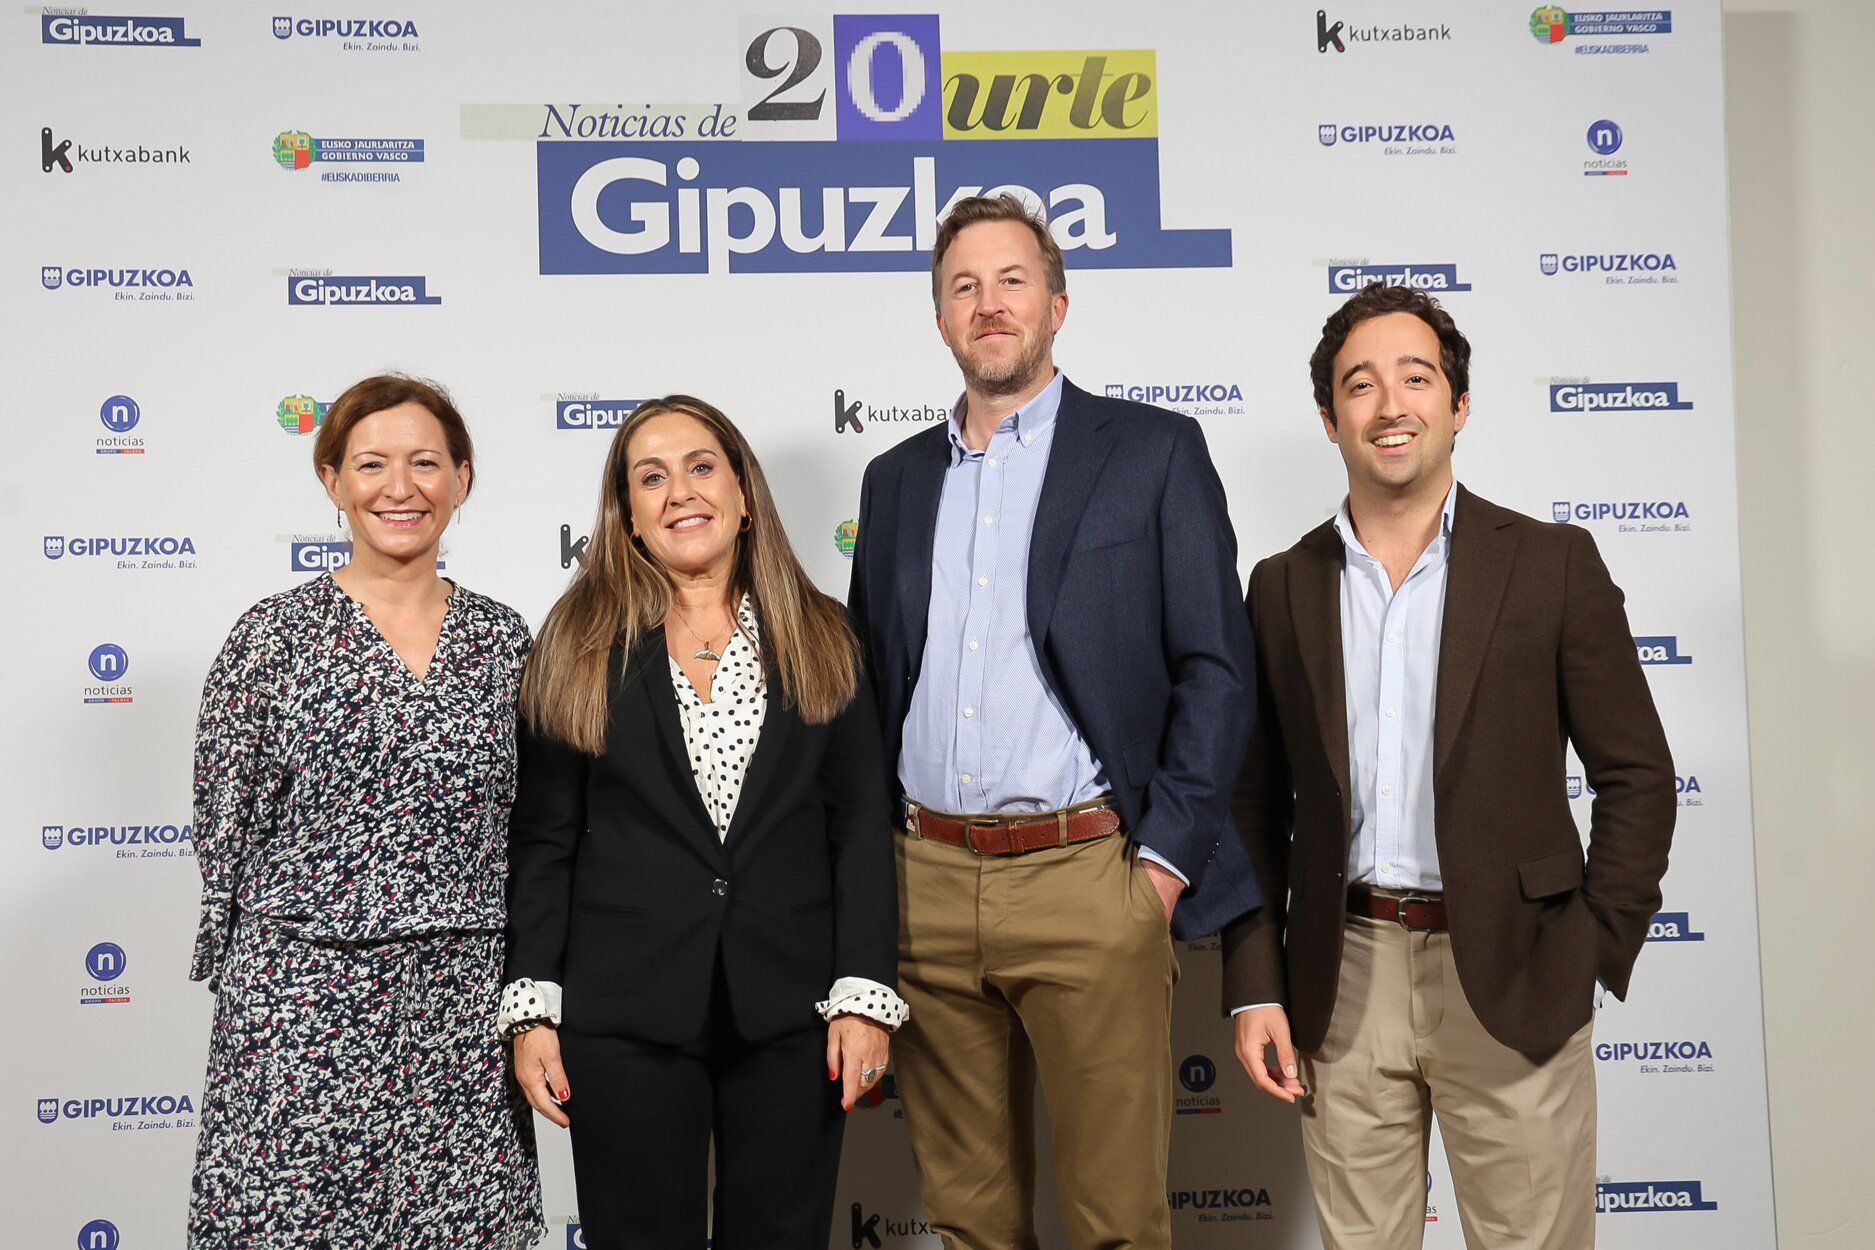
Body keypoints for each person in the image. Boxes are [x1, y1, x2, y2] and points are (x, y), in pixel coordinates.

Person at [846, 193, 1262, 1250]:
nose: (989, 304)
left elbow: (1216, 669)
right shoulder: (893, 481)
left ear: (1058, 303)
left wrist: (1161, 864)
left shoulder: (1153, 451)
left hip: (1090, 877)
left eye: (1011, 280)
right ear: (940, 317)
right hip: (927, 887)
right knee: (970, 1223)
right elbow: (872, 693)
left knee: (1117, 1221)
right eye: (963, 287)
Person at [1222, 282, 1677, 1248]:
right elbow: (1251, 806)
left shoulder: (1551, 564)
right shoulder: (1280, 586)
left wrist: (1590, 945)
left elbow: (1636, 774)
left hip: (1515, 970)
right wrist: (1256, 980)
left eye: (1415, 378)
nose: (1390, 405)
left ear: (1457, 405)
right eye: (1359, 384)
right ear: (1328, 417)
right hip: (1340, 978)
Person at [502, 396, 902, 1250]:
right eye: (650, 477)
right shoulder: (573, 643)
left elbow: (861, 827)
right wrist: (533, 1008)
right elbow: (545, 838)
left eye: (699, 466)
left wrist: (864, 994)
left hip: (793, 1014)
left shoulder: (826, 637)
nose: (679, 490)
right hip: (624, 1015)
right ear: (630, 519)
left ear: (744, 494)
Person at [187, 375, 543, 1248]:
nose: (400, 487)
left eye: (425, 462)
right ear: (332, 480)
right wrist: (254, 993)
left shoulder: (506, 641)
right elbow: (222, 823)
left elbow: (537, 826)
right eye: (372, 463)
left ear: (461, 478)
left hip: (462, 1009)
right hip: (299, 1005)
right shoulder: (269, 639)